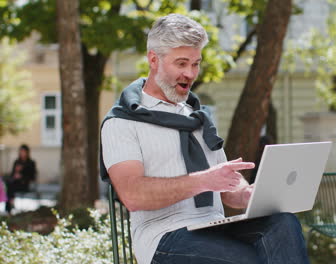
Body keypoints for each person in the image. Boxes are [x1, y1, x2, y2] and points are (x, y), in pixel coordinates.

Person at [100, 14, 309, 264]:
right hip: (163, 236)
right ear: (154, 59)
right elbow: (133, 195)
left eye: (196, 64)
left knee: (283, 223)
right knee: (250, 259)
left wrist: (245, 194)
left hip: (214, 227)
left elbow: (223, 186)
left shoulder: (198, 118)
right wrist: (204, 181)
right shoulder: (122, 122)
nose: (190, 73)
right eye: (181, 63)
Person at [5, 144, 37, 214]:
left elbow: (33, 176)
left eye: (23, 151)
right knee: (9, 183)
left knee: (10, 186)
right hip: (15, 183)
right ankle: (9, 207)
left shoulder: (31, 163)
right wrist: (15, 174)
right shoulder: (17, 162)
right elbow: (12, 174)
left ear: (27, 152)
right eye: (21, 151)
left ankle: (9, 207)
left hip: (25, 185)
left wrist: (22, 176)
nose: (22, 153)